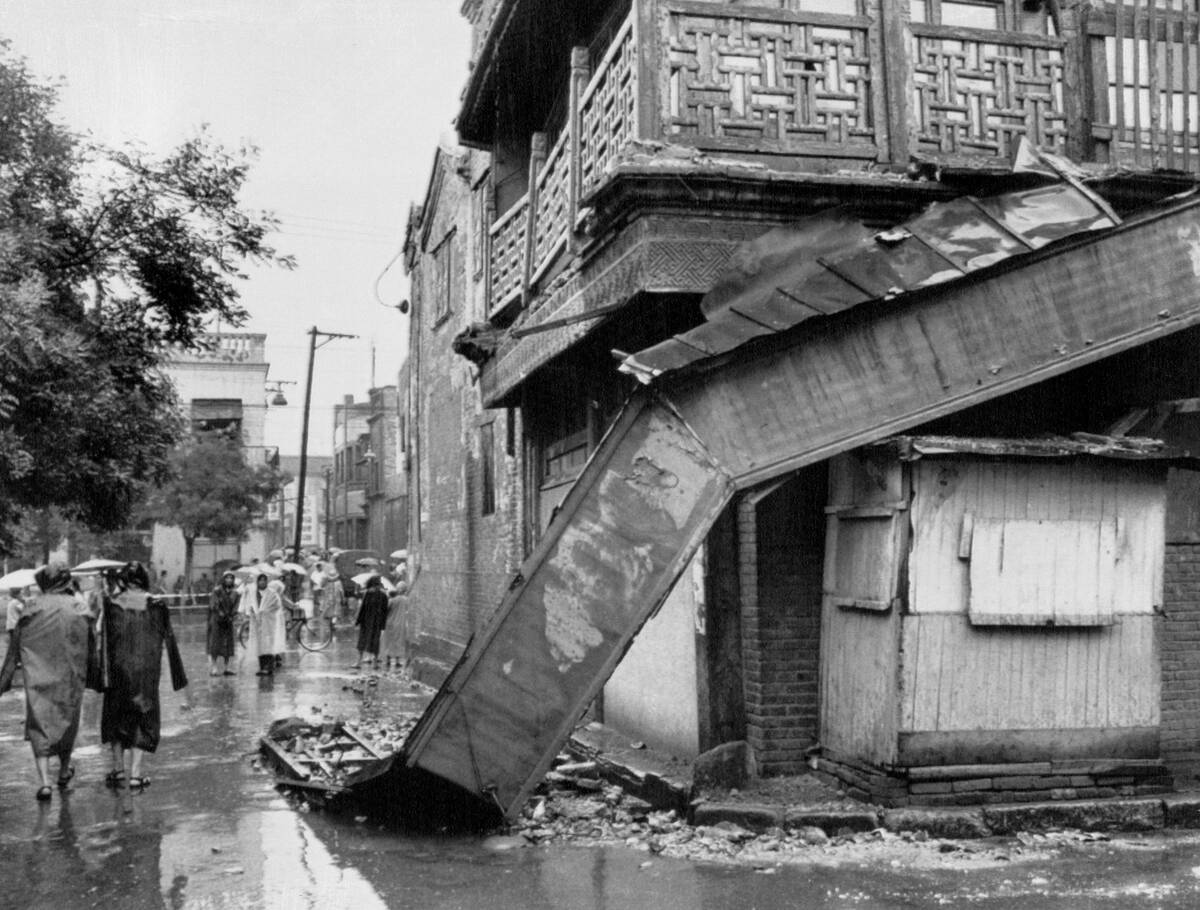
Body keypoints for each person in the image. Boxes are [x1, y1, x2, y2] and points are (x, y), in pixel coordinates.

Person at [0, 565, 91, 801]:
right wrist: (96, 675)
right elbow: (91, 642)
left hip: (38, 674)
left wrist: (5, 678)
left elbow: (15, 646)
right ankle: (63, 771)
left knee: (39, 724)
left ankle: (44, 782)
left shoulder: (30, 607)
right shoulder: (79, 606)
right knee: (68, 722)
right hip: (70, 674)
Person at [99, 562, 188, 792]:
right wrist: (179, 677)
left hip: (118, 671)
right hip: (146, 673)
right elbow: (169, 640)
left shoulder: (111, 604)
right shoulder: (157, 605)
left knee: (115, 719)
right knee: (142, 719)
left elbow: (104, 641)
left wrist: (100, 675)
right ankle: (136, 775)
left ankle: (119, 770)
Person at [242, 573, 283, 676]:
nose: (262, 582)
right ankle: (262, 667)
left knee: (268, 645)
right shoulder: (254, 594)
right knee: (259, 645)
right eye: (260, 580)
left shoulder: (272, 593)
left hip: (269, 623)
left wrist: (265, 611)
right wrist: (251, 611)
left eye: (264, 580)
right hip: (257, 623)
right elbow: (249, 606)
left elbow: (277, 605)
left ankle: (268, 667)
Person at [352, 576, 388, 671]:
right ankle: (365, 662)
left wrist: (358, 621)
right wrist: (358, 621)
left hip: (372, 622)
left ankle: (368, 662)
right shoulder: (372, 594)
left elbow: (384, 611)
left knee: (369, 642)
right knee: (367, 642)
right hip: (370, 622)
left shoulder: (376, 595)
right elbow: (363, 608)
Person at [206, 571, 239, 676]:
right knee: (215, 643)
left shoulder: (235, 592)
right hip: (217, 620)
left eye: (231, 578)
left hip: (228, 620)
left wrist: (232, 615)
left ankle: (227, 667)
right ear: (223, 579)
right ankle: (214, 667)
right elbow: (213, 604)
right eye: (227, 578)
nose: (229, 580)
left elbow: (236, 606)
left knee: (228, 643)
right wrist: (220, 612)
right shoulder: (217, 591)